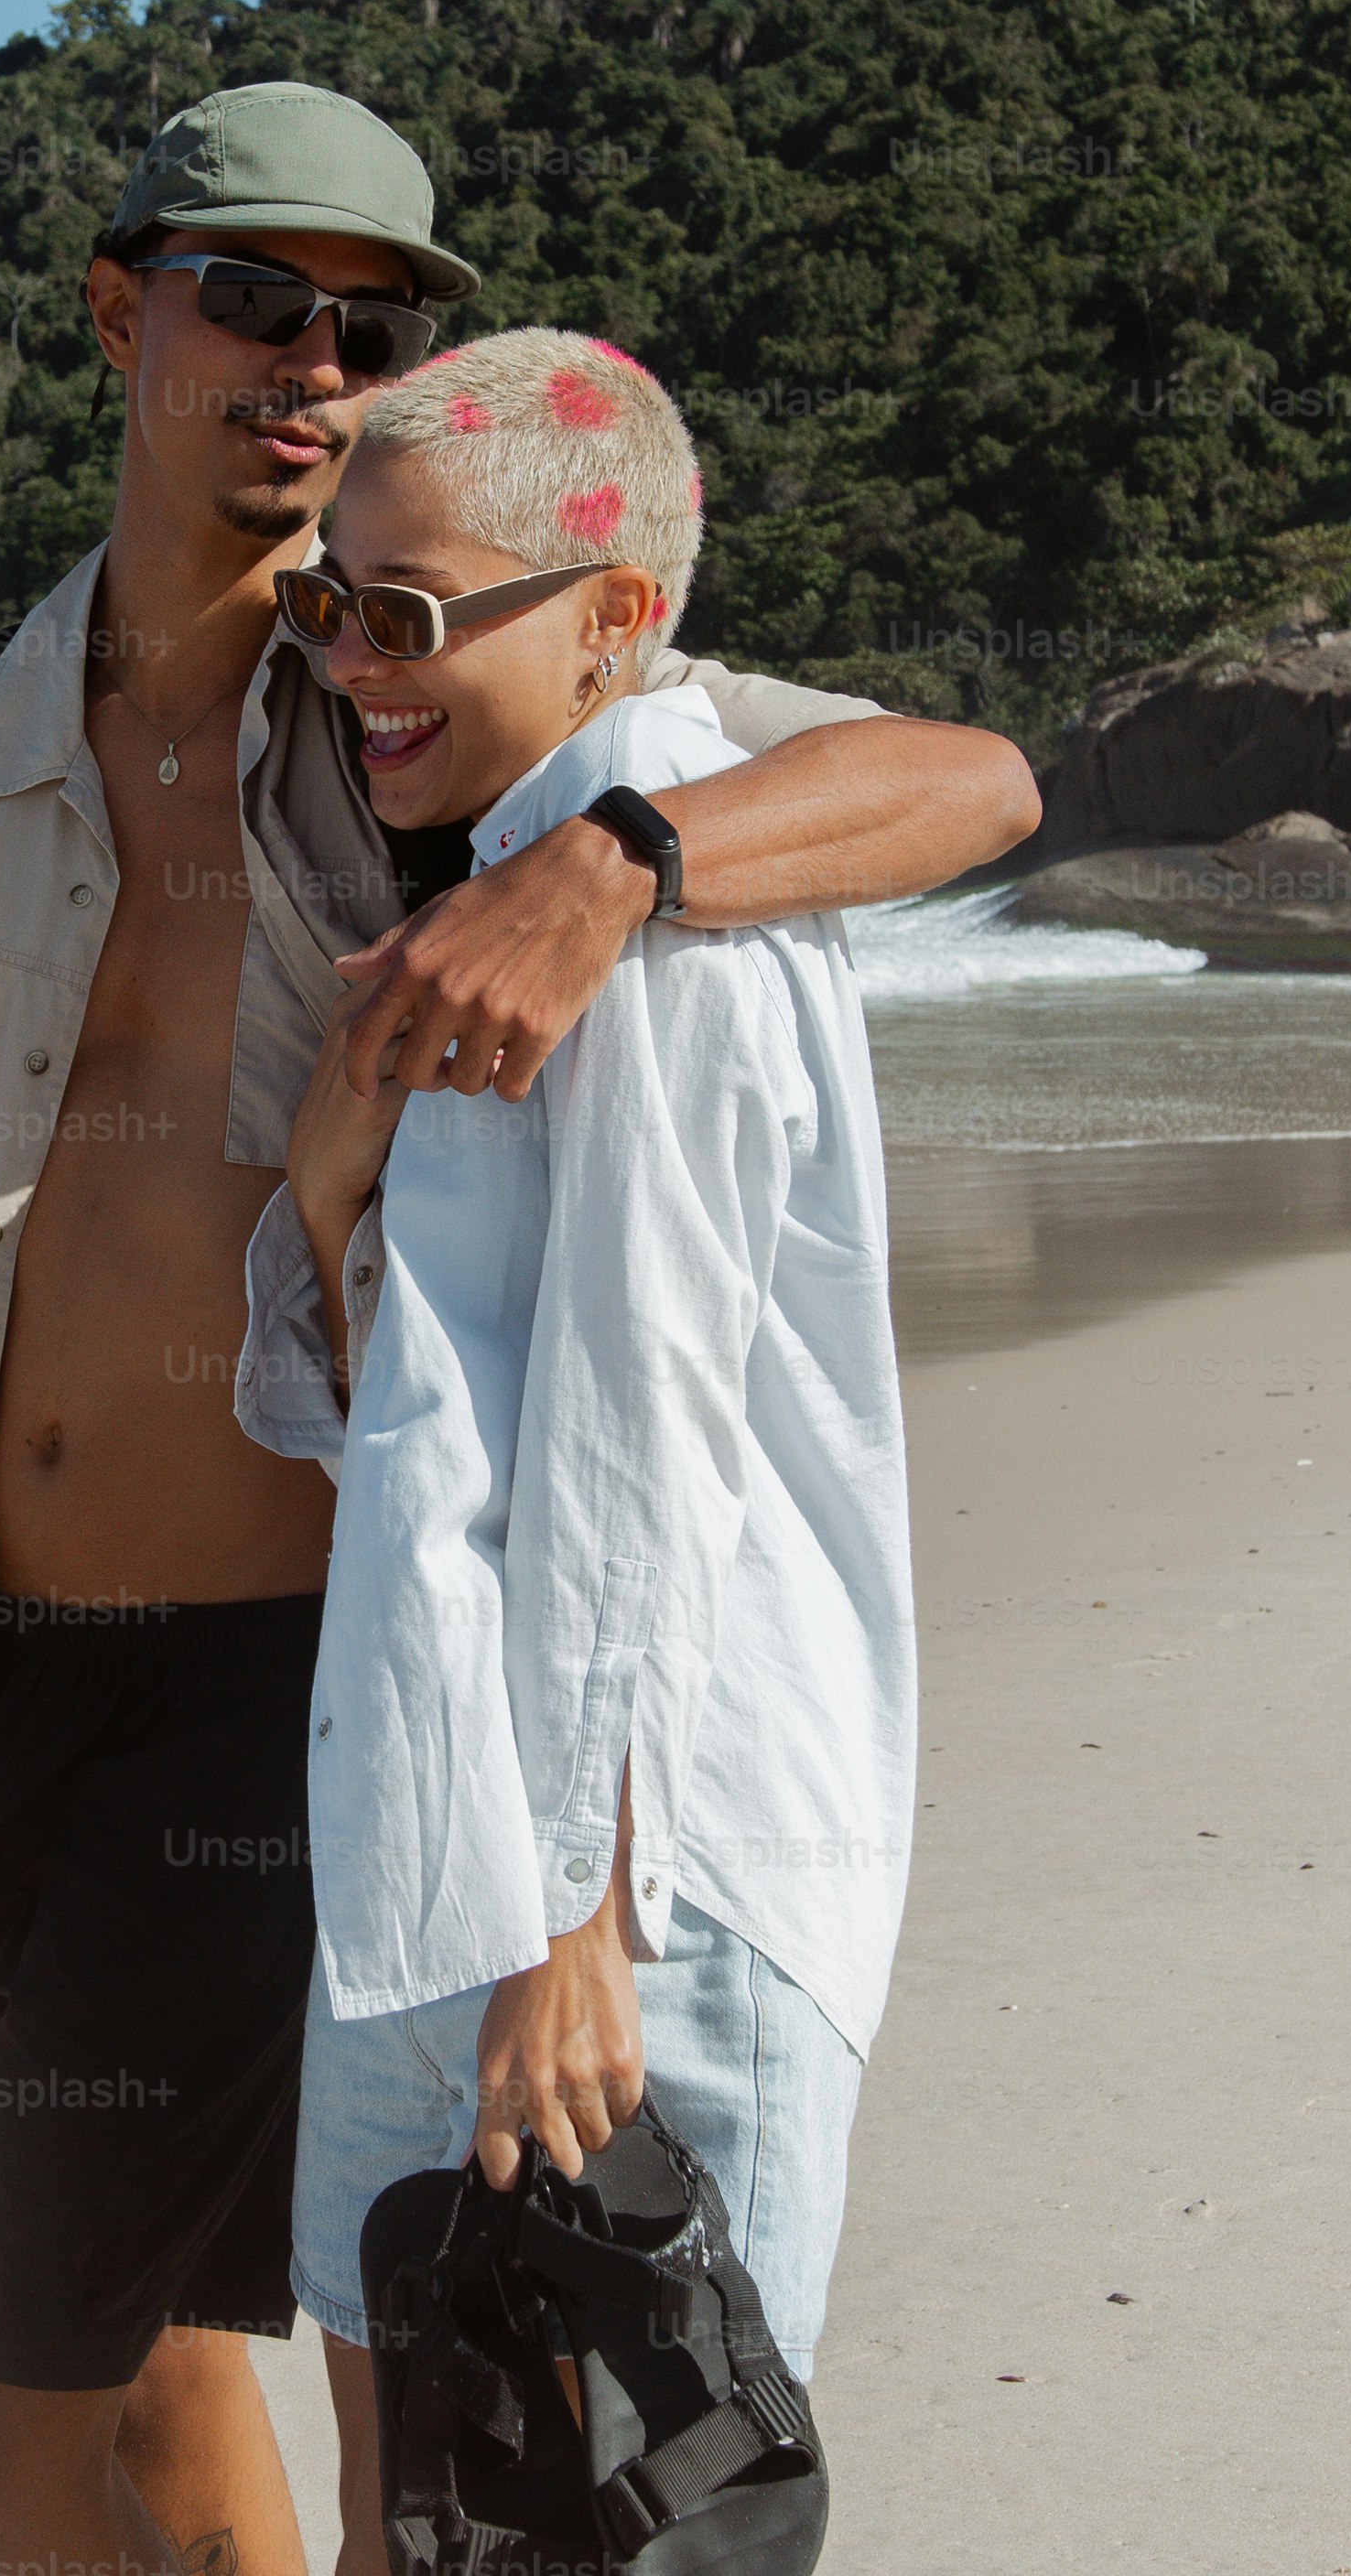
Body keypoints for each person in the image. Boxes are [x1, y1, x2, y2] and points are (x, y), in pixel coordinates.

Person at [0, 83, 1032, 2575]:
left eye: (375, 320)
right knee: (173, 2411)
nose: (317, 360)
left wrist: (616, 877)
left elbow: (962, 779)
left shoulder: (453, 710)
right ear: (126, 312)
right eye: (259, 297)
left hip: (293, 1702)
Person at [240, 331, 916, 2569]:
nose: (351, 663)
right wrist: (334, 1170)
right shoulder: (503, 894)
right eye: (329, 605)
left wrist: (577, 1923)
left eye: (408, 613)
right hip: (462, 1843)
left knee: (633, 2532)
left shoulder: (642, 929)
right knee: (431, 2535)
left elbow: (648, 1441)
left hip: (626, 1892)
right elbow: (406, 1417)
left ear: (617, 611)